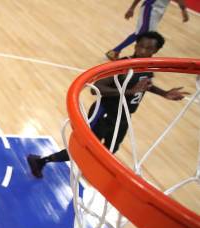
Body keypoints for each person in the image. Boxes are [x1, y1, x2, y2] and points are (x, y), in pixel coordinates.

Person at [27, 31, 188, 178]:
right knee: (84, 148)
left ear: (155, 51)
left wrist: (164, 93)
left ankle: (88, 170)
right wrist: (129, 92)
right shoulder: (121, 67)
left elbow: (145, 84)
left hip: (123, 117)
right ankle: (41, 161)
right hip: (103, 114)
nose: (144, 51)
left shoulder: (146, 67)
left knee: (111, 149)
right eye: (141, 46)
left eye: (149, 48)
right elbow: (96, 88)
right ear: (136, 45)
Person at [105, 0, 188, 61]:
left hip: (158, 10)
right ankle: (118, 52)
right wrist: (131, 8)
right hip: (150, 8)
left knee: (142, 33)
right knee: (145, 34)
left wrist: (183, 10)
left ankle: (115, 52)